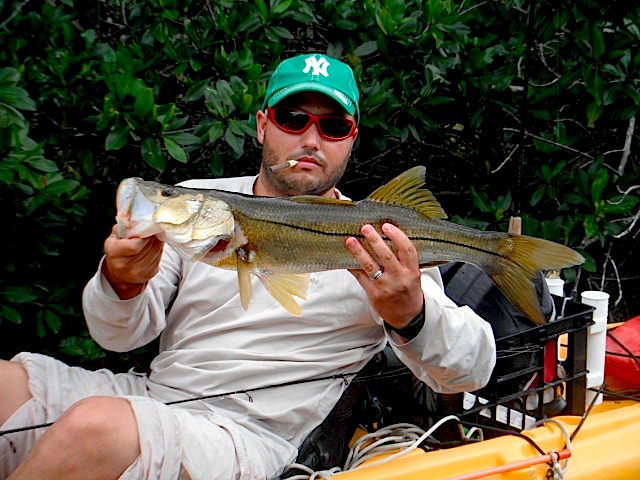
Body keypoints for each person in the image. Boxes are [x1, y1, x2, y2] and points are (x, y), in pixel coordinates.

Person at [0, 53, 496, 480]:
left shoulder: (382, 242)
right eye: (292, 118)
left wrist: (412, 314)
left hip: (253, 440)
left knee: (96, 425)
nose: (311, 139)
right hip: (158, 396)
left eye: (332, 126)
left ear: (351, 139)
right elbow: (117, 337)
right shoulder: (200, 204)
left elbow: (472, 369)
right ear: (262, 125)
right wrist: (123, 283)